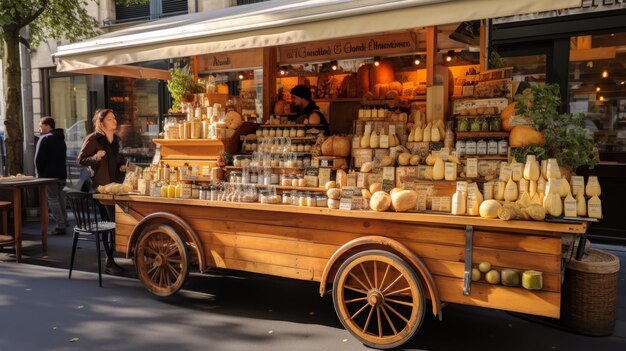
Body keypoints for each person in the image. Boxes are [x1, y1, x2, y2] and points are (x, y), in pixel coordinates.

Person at [77, 108, 127, 275]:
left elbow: (117, 158)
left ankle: (113, 255)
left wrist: (122, 164)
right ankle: (109, 259)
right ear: (102, 122)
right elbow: (81, 159)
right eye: (111, 119)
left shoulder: (115, 139)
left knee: (115, 221)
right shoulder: (93, 139)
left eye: (114, 118)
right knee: (109, 222)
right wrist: (95, 157)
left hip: (115, 186)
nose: (115, 121)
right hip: (100, 188)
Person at [34, 116, 68, 235]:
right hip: (61, 174)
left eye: (40, 125)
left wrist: (39, 175)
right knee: (60, 198)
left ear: (47, 125)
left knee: (53, 199)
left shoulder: (45, 139)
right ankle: (65, 221)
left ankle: (60, 226)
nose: (39, 128)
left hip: (49, 176)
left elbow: (38, 160)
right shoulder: (60, 139)